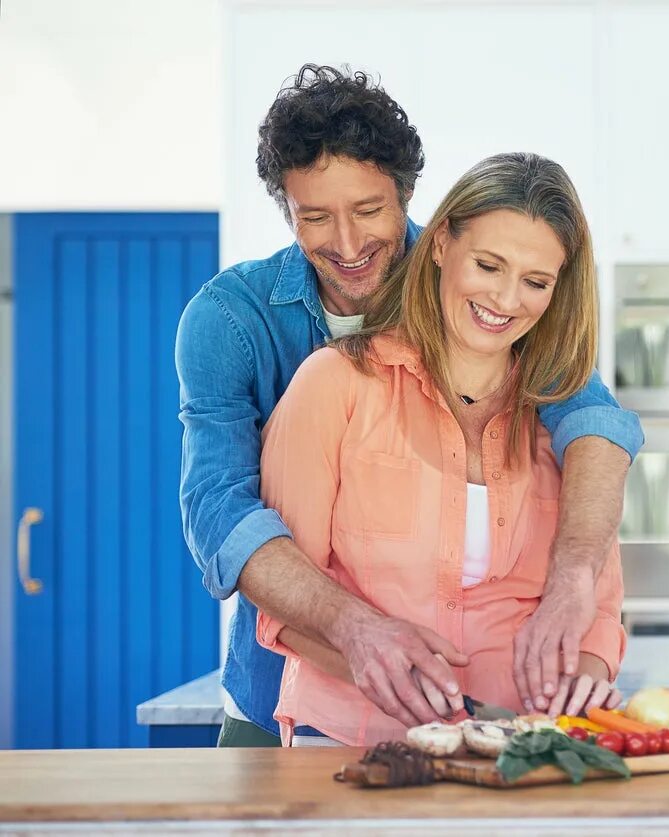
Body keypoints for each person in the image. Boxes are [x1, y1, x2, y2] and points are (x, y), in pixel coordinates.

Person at [175, 65, 642, 747]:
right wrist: (352, 624)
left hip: (483, 736)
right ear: (286, 211)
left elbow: (590, 417)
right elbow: (219, 508)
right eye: (315, 217)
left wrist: (575, 586)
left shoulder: (474, 274)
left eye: (368, 211)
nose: (348, 242)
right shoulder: (232, 321)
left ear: (410, 199)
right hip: (291, 692)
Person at [256, 152, 625, 746]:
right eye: (488, 265)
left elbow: (599, 611)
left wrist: (584, 682)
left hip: (522, 753)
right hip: (356, 745)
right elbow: (282, 600)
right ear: (438, 243)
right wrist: (383, 669)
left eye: (536, 282)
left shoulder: (570, 434)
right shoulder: (335, 386)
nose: (506, 299)